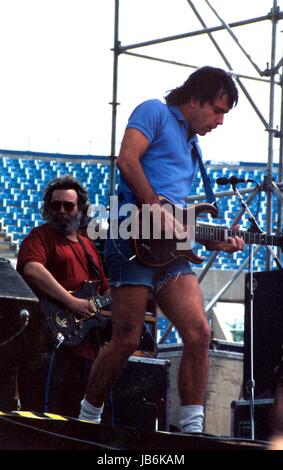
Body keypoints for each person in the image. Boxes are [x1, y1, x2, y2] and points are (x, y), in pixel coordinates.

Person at [79, 66, 245, 433]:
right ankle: (88, 416)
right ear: (195, 99)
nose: (220, 120)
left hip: (171, 251)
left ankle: (192, 427)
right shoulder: (153, 110)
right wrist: (154, 206)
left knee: (199, 332)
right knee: (126, 338)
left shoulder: (193, 146)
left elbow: (178, 216)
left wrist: (215, 239)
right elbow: (126, 160)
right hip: (131, 236)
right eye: (217, 110)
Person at [16, 175, 109, 417]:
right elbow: (31, 269)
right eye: (55, 205)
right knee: (44, 418)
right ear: (47, 208)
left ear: (80, 210)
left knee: (75, 421)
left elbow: (105, 293)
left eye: (69, 206)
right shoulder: (40, 236)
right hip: (48, 345)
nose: (62, 211)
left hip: (85, 349)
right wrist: (73, 303)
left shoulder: (89, 247)